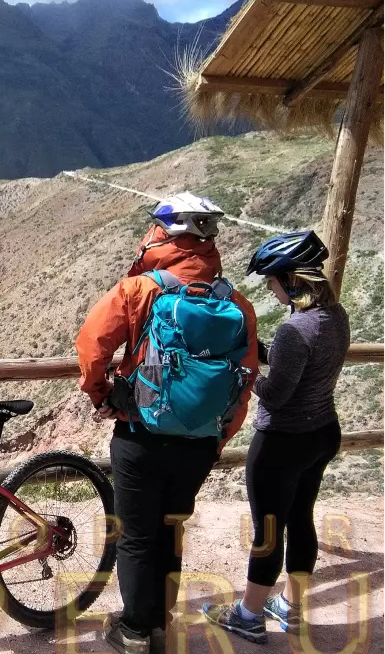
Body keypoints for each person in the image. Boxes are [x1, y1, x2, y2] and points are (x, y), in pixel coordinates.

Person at [76, 192, 259, 654]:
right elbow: (245, 379)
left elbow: (91, 345)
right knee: (170, 528)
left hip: (140, 435)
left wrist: (103, 397)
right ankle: (160, 620)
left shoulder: (139, 290)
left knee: (137, 535)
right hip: (198, 444)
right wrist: (218, 437)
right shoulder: (235, 303)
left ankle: (135, 630)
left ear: (162, 236)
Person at [203, 231, 349, 643]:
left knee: (267, 530)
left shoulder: (295, 329)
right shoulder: (335, 316)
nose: (269, 288)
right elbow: (299, 363)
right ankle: (289, 605)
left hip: (282, 441)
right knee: (300, 519)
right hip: (322, 432)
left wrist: (243, 373)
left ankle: (248, 615)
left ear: (291, 279)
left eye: (271, 280)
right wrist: (255, 348)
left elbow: (277, 393)